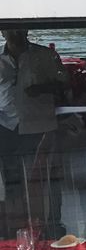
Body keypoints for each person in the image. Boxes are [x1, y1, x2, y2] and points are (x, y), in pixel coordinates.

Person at [0, 27, 69, 236]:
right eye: (9, 30)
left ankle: (53, 226)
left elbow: (65, 87)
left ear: (27, 29)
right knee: (12, 180)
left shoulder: (45, 55)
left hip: (39, 125)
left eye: (19, 29)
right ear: (2, 32)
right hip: (6, 126)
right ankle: (17, 230)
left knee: (46, 178)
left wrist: (42, 88)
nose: (15, 33)